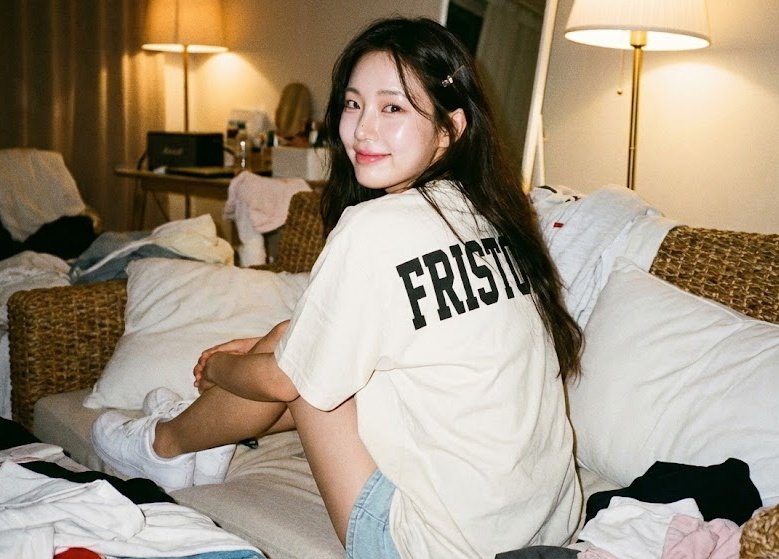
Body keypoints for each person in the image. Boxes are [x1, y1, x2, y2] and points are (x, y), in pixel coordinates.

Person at [92, 16, 584, 559]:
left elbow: (285, 381)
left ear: (451, 128)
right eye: (353, 104)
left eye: (392, 108)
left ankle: (160, 445)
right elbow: (307, 346)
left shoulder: (376, 230)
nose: (362, 129)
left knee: (298, 367)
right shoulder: (495, 216)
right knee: (298, 338)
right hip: (549, 525)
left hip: (428, 547)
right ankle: (202, 443)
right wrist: (279, 346)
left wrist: (220, 369)